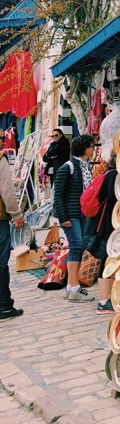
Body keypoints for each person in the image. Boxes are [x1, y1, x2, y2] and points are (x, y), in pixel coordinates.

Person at [53, 134, 95, 303]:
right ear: (84, 148)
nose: (93, 149)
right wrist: (64, 217)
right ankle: (74, 288)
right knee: (76, 246)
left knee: (77, 247)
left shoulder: (84, 166)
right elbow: (58, 195)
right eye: (91, 146)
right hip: (71, 215)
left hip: (81, 213)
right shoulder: (68, 167)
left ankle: (71, 287)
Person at [82, 154, 117, 313]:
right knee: (106, 261)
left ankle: (107, 299)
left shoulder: (105, 173)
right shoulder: (114, 175)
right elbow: (113, 197)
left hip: (102, 224)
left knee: (106, 260)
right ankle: (103, 301)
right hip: (107, 225)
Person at [0, 129, 25, 319]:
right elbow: (7, 191)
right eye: (1, 138)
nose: (3, 142)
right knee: (1, 263)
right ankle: (4, 305)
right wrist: (16, 213)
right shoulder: (1, 158)